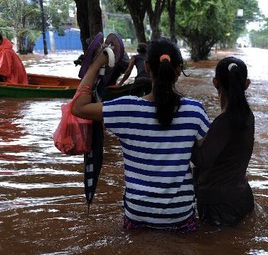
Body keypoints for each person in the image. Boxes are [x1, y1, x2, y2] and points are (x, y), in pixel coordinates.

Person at [71, 38, 210, 233]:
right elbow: (210, 157)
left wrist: (98, 63)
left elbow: (78, 107)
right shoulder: (195, 111)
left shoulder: (126, 108)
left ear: (146, 67)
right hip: (178, 214)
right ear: (178, 70)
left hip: (138, 213)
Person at [191, 57, 255, 227]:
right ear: (247, 84)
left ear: (215, 82)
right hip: (242, 198)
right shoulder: (248, 117)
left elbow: (202, 160)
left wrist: (189, 133)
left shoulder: (224, 122)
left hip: (218, 205)